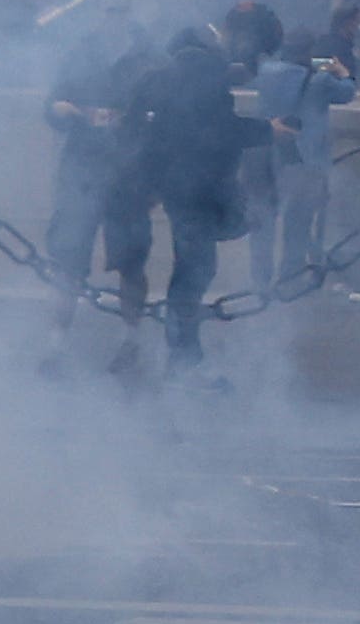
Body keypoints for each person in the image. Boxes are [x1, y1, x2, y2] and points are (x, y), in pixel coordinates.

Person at [106, 19, 253, 368]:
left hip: (175, 188)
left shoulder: (157, 80)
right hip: (199, 188)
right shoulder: (206, 77)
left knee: (191, 270)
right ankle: (182, 362)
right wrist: (268, 130)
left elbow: (134, 130)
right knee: (194, 273)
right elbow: (220, 131)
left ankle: (184, 357)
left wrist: (148, 179)